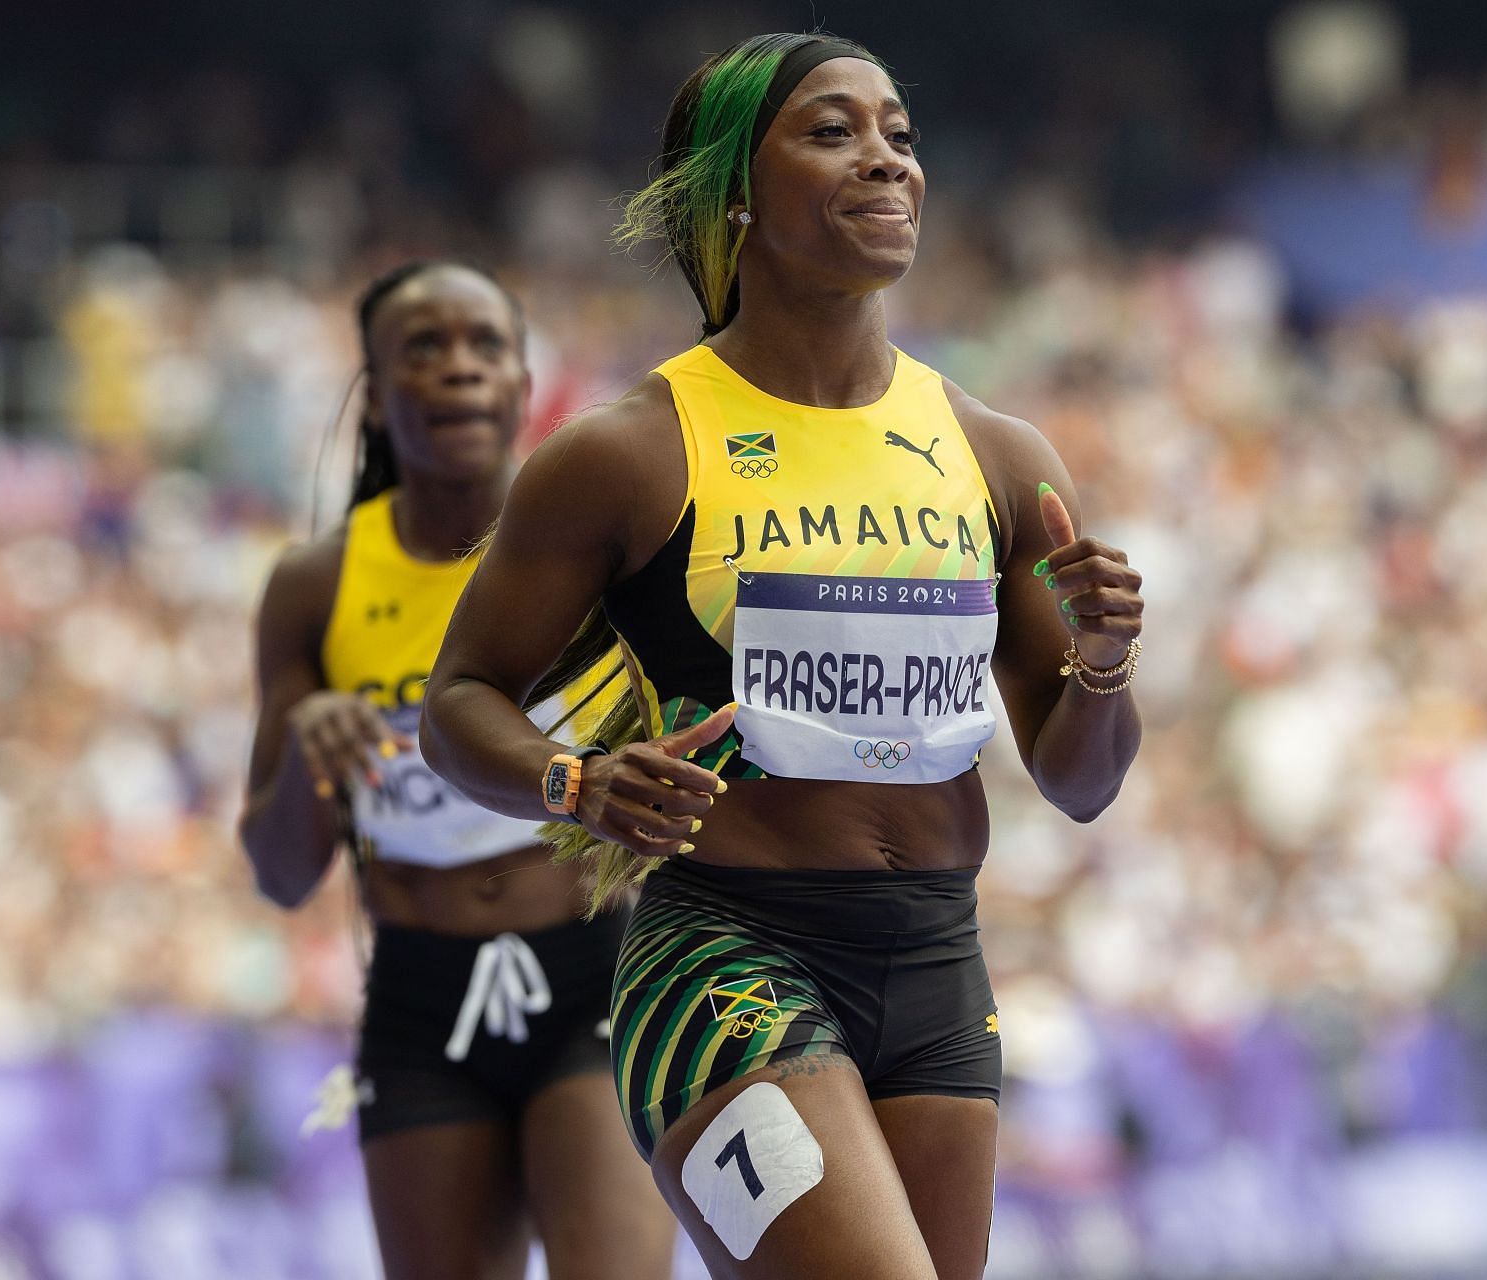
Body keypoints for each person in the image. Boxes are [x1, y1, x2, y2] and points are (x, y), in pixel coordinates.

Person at [421, 33, 1146, 1280]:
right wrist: (574, 782)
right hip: (723, 958)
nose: (888, 161)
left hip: (935, 960)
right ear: (735, 195)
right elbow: (457, 704)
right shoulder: (630, 453)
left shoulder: (997, 453)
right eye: (834, 131)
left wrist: (1104, 664)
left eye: (901, 135)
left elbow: (1081, 783)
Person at [238, 261, 675, 1280]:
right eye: (422, 349)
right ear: (375, 396)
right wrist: (311, 746)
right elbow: (278, 873)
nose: (459, 370)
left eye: (487, 346)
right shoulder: (317, 586)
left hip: (593, 971)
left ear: (526, 385)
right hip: (421, 995)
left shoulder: (600, 543)